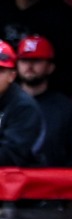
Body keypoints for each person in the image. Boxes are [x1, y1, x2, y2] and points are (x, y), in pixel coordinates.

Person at [15, 36, 72, 169]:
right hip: (9, 181)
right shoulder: (5, 104)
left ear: (50, 67)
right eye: (24, 60)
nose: (29, 66)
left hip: (53, 181)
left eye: (36, 60)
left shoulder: (67, 108)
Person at [0, 40, 46, 168]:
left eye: (0, 71)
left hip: (20, 177)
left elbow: (10, 155)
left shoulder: (24, 107)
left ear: (12, 76)